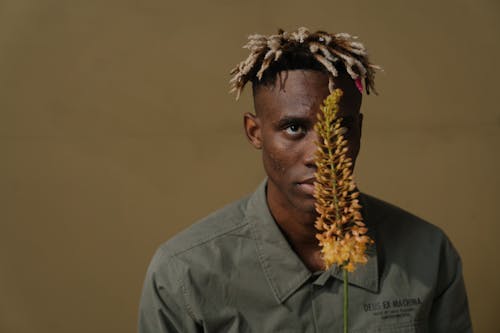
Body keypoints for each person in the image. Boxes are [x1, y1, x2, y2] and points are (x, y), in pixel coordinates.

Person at [138, 27, 472, 332]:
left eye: (341, 128)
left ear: (359, 131)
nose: (322, 154)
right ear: (255, 132)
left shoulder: (429, 254)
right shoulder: (184, 274)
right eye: (294, 128)